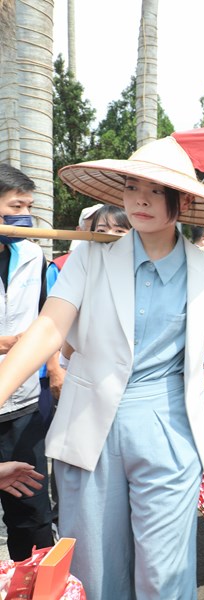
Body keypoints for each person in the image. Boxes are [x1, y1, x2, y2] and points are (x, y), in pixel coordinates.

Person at [0, 137, 204, 599]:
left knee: (164, 576)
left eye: (155, 190)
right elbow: (51, 327)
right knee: (95, 569)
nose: (140, 201)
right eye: (132, 188)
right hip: (90, 425)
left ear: (183, 200)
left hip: (171, 429)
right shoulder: (91, 256)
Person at [0, 164, 56, 561]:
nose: (24, 216)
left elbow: (47, 317)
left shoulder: (32, 255)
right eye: (15, 206)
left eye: (28, 206)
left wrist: (52, 364)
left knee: (33, 516)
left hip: (22, 406)